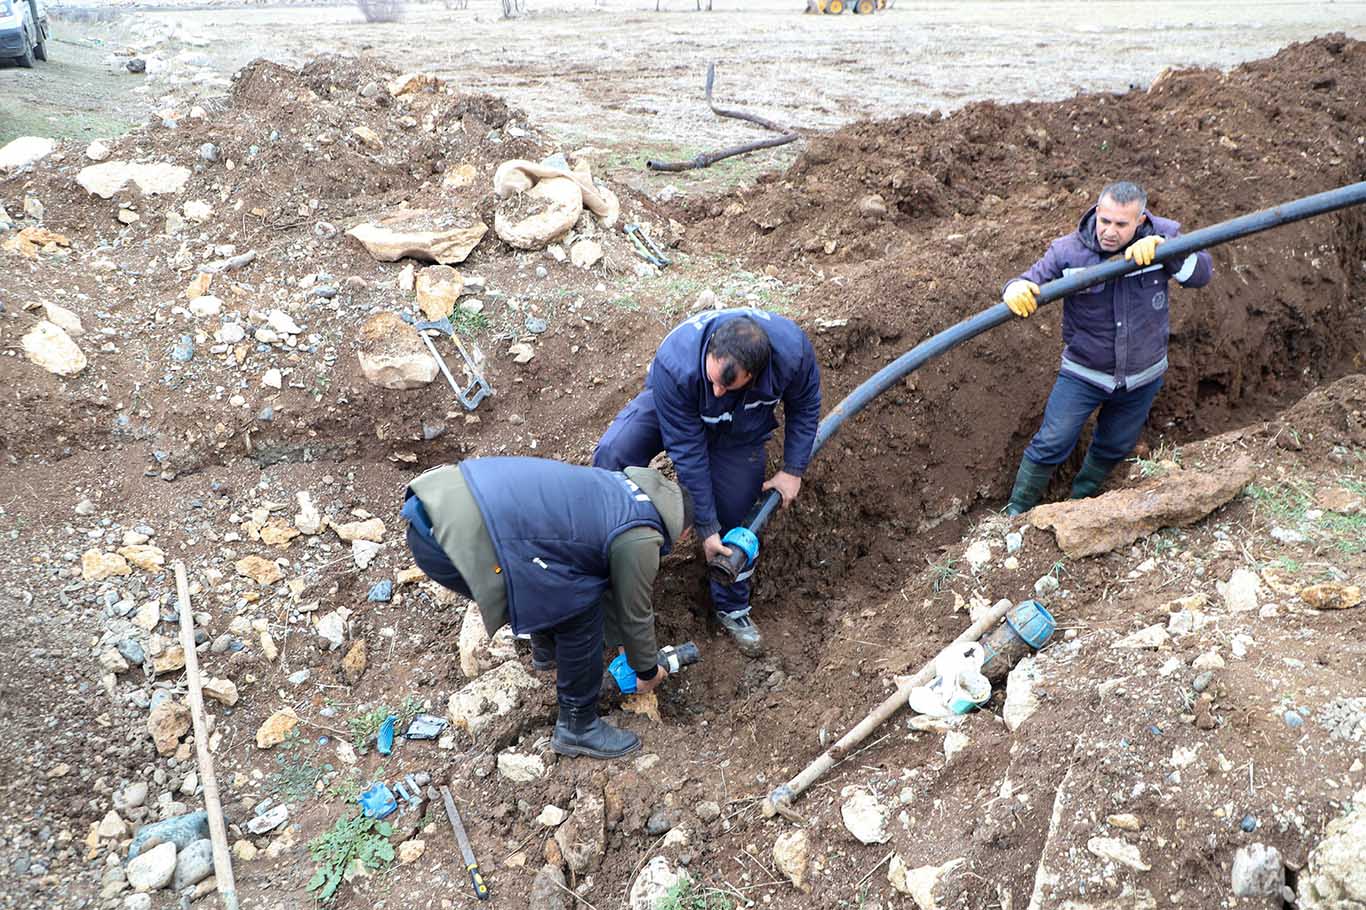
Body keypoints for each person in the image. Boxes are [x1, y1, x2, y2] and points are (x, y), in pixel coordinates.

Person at [400, 456, 692, 760]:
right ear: (684, 532)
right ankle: (578, 726)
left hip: (434, 504)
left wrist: (621, 646)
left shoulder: (616, 489)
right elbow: (635, 611)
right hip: (454, 544)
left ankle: (548, 652)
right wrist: (646, 669)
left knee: (560, 569)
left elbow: (594, 566)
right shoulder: (642, 534)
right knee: (579, 607)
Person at [592, 308, 821, 656]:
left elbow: (805, 404)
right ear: (710, 349)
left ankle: (732, 606)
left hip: (739, 432)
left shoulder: (792, 353)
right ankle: (603, 572)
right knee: (613, 453)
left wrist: (793, 468)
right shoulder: (678, 362)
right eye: (712, 378)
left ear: (755, 375)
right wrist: (705, 524)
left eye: (726, 385)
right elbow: (687, 450)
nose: (716, 391)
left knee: (737, 510)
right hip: (678, 408)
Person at [1001, 181, 1214, 514]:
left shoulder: (1164, 236)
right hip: (1083, 373)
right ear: (1098, 213)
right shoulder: (1068, 252)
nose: (1110, 232)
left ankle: (1080, 502)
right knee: (1052, 442)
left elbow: (1200, 275)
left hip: (1143, 376)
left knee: (1115, 444)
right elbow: (1030, 280)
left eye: (1121, 225)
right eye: (1106, 221)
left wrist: (1169, 253)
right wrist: (1014, 289)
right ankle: (1016, 510)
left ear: (1140, 221)